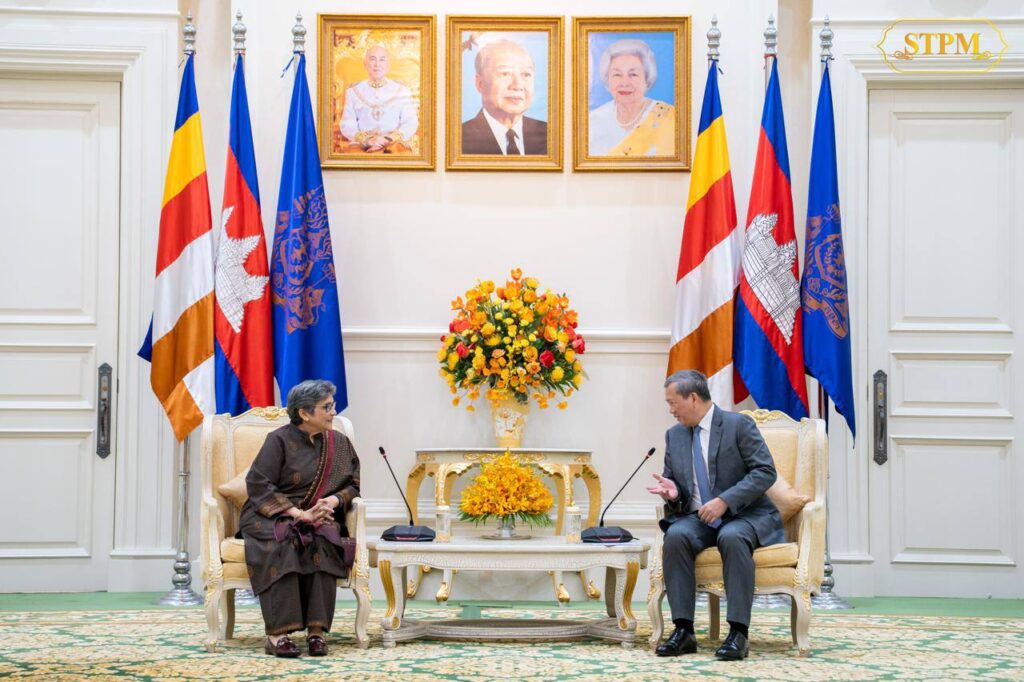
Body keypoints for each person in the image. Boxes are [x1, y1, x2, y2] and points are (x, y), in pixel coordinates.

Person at [647, 370, 783, 660]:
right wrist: (674, 493)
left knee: (732, 537)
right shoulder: (675, 435)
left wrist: (725, 501)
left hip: (744, 515)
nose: (670, 410)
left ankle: (738, 633)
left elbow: (765, 472)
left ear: (693, 398)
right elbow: (676, 485)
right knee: (676, 535)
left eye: (673, 403)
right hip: (699, 519)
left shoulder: (738, 425)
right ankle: (683, 630)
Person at [241, 379, 361, 658]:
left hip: (318, 513)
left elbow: (354, 484)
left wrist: (333, 501)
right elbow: (258, 483)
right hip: (271, 514)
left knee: (322, 539)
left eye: (332, 405)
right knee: (287, 540)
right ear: (304, 413)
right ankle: (277, 635)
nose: (333, 412)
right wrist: (297, 514)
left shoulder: (339, 443)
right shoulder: (278, 440)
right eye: (326, 407)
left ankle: (316, 632)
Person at [588, 39, 675, 157]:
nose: (624, 83)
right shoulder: (593, 121)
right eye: (617, 74)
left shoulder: (668, 118)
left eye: (633, 74)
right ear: (608, 80)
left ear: (647, 79)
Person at [462, 39, 548, 155]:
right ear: (480, 83)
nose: (517, 86)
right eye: (505, 73)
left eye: (526, 74)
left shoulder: (550, 135)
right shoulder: (458, 140)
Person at [338, 45, 418, 154]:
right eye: (372, 59)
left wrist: (388, 139)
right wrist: (368, 140)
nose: (377, 64)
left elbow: (410, 122)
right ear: (365, 64)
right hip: (362, 145)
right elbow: (347, 124)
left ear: (388, 64)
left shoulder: (402, 89)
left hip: (394, 144)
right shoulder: (353, 91)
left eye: (382, 59)